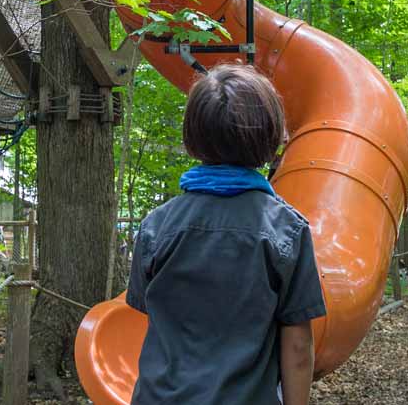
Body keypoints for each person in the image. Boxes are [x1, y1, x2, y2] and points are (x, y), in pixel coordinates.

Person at [126, 63, 326, 405]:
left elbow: (149, 318)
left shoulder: (156, 227)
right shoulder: (287, 231)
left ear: (192, 139)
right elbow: (297, 346)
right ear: (270, 140)